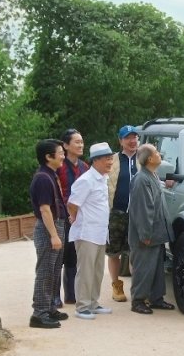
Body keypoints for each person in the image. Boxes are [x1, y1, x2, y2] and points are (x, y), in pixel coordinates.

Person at [67, 142, 117, 320]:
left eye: (111, 158)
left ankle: (93, 303)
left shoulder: (102, 178)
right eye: (106, 159)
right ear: (95, 160)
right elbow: (72, 204)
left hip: (100, 233)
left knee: (97, 270)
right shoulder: (86, 180)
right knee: (86, 270)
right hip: (87, 233)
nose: (110, 162)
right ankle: (82, 306)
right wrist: (74, 218)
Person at [128, 144, 175, 314]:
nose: (159, 154)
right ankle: (138, 301)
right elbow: (143, 210)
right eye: (156, 152)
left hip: (156, 233)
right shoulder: (141, 179)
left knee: (156, 269)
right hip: (146, 234)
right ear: (149, 159)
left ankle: (156, 299)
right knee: (144, 268)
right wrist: (145, 234)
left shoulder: (152, 175)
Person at [28, 139, 69, 329]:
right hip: (48, 228)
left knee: (54, 270)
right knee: (45, 271)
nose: (63, 156)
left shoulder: (50, 175)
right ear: (48, 157)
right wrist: (54, 235)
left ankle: (51, 308)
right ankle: (39, 313)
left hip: (56, 225)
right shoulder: (43, 178)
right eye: (60, 152)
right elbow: (45, 209)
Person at [55, 128, 89, 307]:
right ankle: (55, 295)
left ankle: (71, 294)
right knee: (58, 255)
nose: (81, 145)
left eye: (82, 142)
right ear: (66, 145)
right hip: (62, 216)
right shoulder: (58, 167)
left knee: (74, 255)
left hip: (80, 217)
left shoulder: (84, 167)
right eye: (77, 142)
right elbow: (57, 193)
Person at [106, 125, 139, 302]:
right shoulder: (112, 160)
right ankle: (116, 286)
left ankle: (137, 289)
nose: (132, 141)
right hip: (116, 212)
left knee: (136, 251)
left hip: (137, 213)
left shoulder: (144, 157)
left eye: (134, 137)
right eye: (128, 138)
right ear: (120, 141)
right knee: (114, 252)